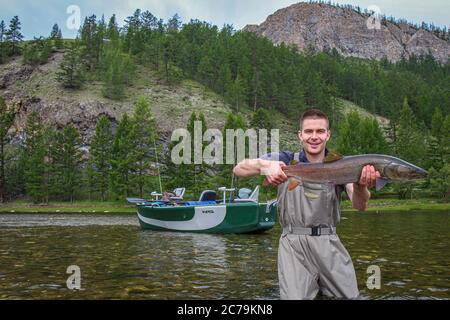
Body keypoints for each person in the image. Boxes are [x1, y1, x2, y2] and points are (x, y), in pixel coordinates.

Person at [233, 109, 380, 300]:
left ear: (328, 134)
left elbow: (360, 206)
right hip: (293, 245)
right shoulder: (285, 159)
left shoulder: (342, 165)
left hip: (329, 243)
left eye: (320, 131)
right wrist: (266, 166)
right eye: (309, 131)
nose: (314, 136)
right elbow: (239, 168)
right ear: (300, 134)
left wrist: (361, 185)